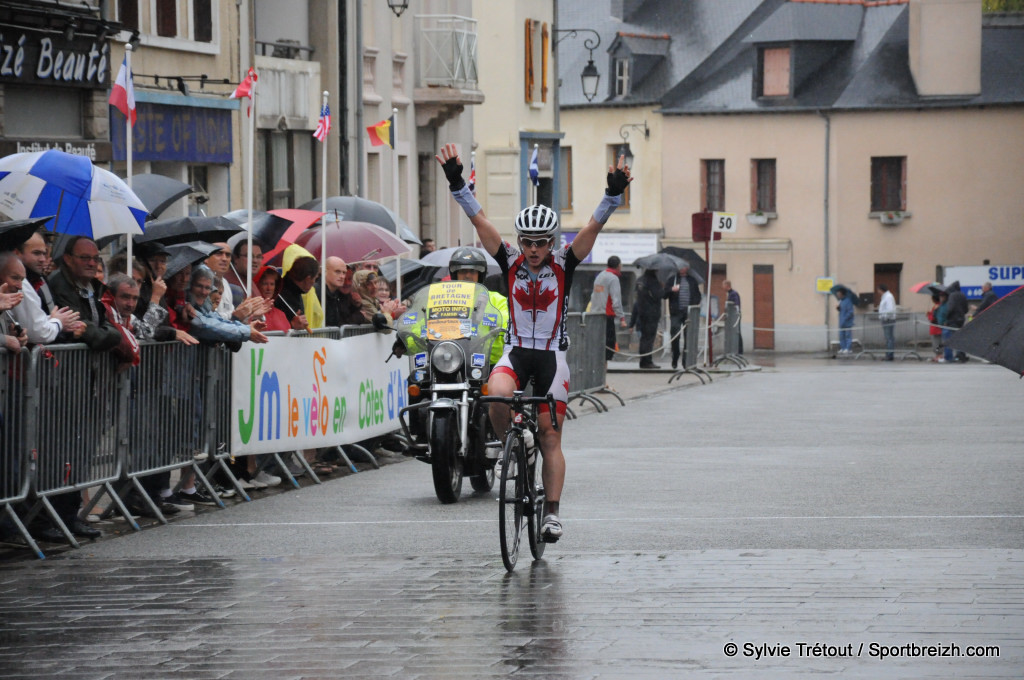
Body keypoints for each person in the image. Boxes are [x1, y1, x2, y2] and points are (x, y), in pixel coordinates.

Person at [436, 141, 631, 542]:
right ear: (520, 241)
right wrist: (457, 182)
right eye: (528, 242)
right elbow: (480, 220)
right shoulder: (509, 260)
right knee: (496, 393)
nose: (535, 250)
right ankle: (513, 444)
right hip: (517, 351)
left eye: (541, 242)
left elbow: (593, 227)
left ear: (551, 242)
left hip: (551, 358)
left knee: (550, 435)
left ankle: (553, 512)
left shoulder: (565, 262)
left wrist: (612, 195)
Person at [45, 236, 123, 540]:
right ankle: (51, 517)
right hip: (63, 382)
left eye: (95, 258)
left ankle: (70, 513)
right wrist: (95, 335)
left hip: (90, 382)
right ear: (68, 259)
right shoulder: (57, 287)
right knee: (60, 453)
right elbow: (72, 333)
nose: (92, 263)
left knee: (81, 451)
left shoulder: (93, 289)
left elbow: (108, 332)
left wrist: (93, 333)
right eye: (85, 257)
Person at [11, 231, 81, 344]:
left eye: (44, 253)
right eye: (36, 253)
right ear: (17, 253)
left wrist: (55, 321)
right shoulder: (20, 283)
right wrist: (58, 321)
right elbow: (39, 332)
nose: (43, 259)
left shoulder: (42, 279)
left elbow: (36, 322)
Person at [447, 246, 508, 365]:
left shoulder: (496, 300)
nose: (468, 276)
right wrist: (406, 340)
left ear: (480, 274)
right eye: (463, 271)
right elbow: (422, 324)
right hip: (449, 360)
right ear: (455, 274)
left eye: (473, 271)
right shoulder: (443, 299)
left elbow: (507, 322)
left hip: (490, 363)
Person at [589, 255, 627, 367]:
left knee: (598, 347)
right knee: (607, 348)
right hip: (607, 316)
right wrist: (622, 318)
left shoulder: (600, 276)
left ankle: (600, 377)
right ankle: (602, 378)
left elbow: (593, 296)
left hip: (596, 315)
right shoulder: (613, 279)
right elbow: (616, 301)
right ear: (619, 266)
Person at [664, 263, 702, 369]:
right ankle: (675, 356)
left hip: (688, 313)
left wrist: (694, 305)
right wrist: (672, 289)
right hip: (676, 312)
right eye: (680, 266)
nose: (681, 268)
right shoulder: (672, 279)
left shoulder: (692, 281)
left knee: (688, 337)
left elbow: (697, 295)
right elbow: (664, 295)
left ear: (687, 268)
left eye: (683, 266)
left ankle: (686, 360)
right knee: (675, 335)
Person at [275, 255, 318, 332]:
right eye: (315, 278)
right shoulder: (280, 293)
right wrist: (291, 325)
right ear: (308, 279)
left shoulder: (295, 290)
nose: (314, 283)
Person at [319, 256, 365, 326]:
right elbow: (337, 323)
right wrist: (360, 316)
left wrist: (356, 306)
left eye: (343, 273)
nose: (342, 277)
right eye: (337, 272)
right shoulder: (320, 292)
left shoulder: (344, 296)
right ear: (325, 272)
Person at [632, 269, 663, 369]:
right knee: (649, 338)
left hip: (642, 313)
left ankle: (643, 360)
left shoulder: (640, 280)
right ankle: (647, 361)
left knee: (644, 338)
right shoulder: (653, 282)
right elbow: (658, 295)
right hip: (652, 313)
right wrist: (662, 288)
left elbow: (637, 297)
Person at [255, 266, 290, 332]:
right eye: (265, 284)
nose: (269, 288)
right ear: (257, 285)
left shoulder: (281, 314)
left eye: (272, 284)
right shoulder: (253, 313)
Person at [944, 280, 969, 362]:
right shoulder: (963, 295)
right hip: (961, 319)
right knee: (959, 337)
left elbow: (950, 308)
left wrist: (946, 317)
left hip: (952, 320)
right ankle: (961, 355)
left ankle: (949, 357)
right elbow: (966, 309)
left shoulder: (952, 296)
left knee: (949, 338)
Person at [722, 279, 743, 355]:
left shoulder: (733, 294)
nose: (722, 287)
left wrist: (736, 313)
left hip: (734, 317)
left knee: (737, 333)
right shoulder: (730, 294)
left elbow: (736, 305)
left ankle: (739, 351)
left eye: (723, 285)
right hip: (732, 317)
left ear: (727, 285)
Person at [877, 284, 896, 361]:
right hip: (886, 319)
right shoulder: (885, 297)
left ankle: (890, 354)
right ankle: (888, 353)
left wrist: (884, 316)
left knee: (889, 337)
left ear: (881, 290)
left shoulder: (888, 297)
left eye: (878, 290)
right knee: (888, 337)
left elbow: (890, 309)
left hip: (888, 319)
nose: (878, 292)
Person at [836, 288, 854, 355]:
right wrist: (838, 308)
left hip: (847, 322)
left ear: (842, 294)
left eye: (839, 294)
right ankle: (843, 348)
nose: (838, 295)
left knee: (847, 335)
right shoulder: (841, 301)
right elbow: (842, 310)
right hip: (841, 321)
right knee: (841, 336)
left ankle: (848, 348)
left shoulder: (848, 301)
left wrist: (845, 318)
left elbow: (850, 312)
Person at [926, 293, 943, 362]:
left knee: (937, 343)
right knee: (937, 342)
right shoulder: (937, 306)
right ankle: (937, 355)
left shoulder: (937, 307)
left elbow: (933, 318)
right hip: (936, 328)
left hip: (936, 328)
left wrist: (929, 315)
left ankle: (939, 355)